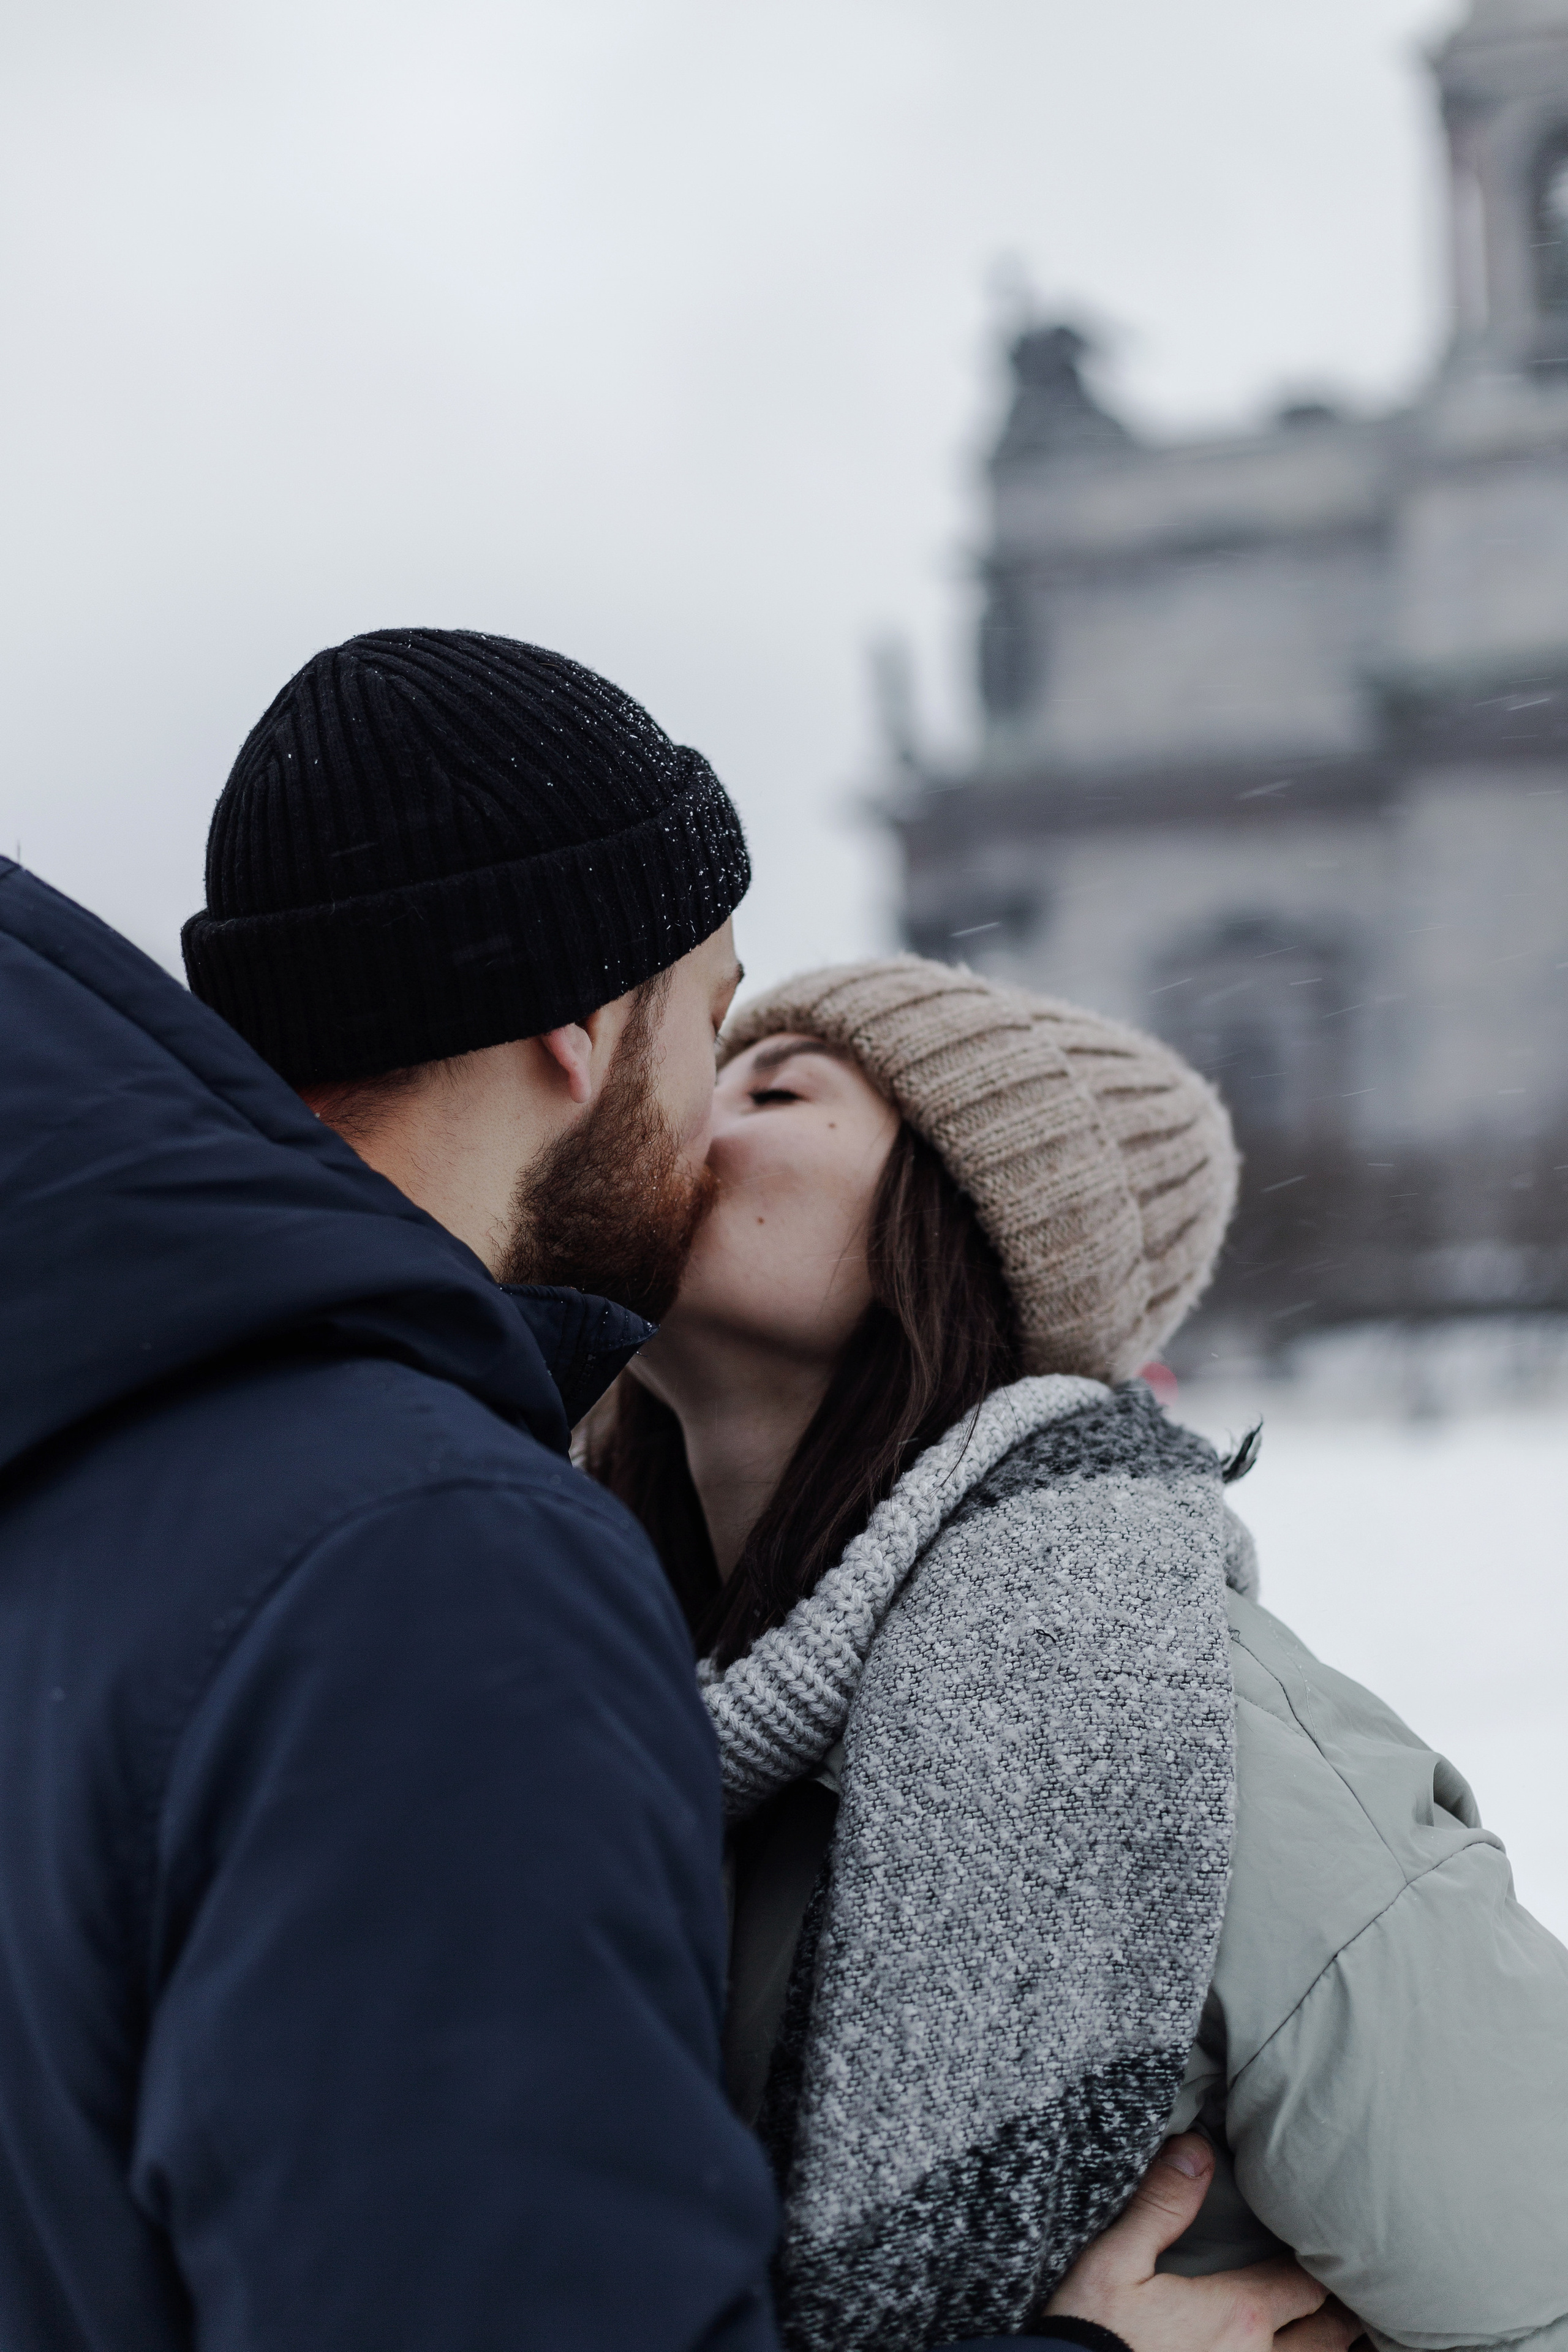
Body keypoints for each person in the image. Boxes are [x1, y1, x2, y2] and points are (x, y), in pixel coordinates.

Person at [0, 631, 1344, 2352]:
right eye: (713, 1022)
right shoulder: (431, 1557)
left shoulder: (102, 1456)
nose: (714, 1117)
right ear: (580, 1030)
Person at [590, 952, 1568, 2352]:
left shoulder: (1183, 1727)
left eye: (775, 1083)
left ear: (960, 1222)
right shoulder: (600, 1711)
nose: (687, 1108)